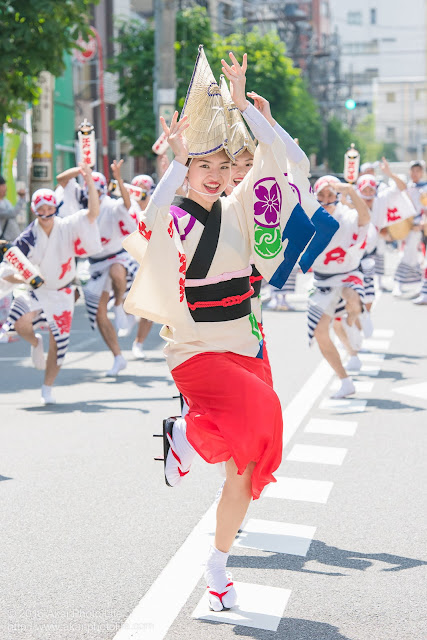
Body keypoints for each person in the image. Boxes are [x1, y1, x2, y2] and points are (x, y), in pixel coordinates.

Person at [123, 47, 329, 612]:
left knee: (251, 460)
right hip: (196, 352)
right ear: (187, 168)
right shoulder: (173, 216)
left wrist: (247, 110)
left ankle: (217, 571)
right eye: (203, 167)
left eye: (222, 167)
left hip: (244, 343)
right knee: (265, 422)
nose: (216, 176)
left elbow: (284, 159)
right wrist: (175, 158)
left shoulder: (240, 206)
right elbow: (156, 212)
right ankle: (188, 435)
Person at [2, 163, 101, 404]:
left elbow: (92, 213)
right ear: (35, 210)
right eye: (40, 209)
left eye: (50, 208)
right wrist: (26, 277)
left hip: (63, 292)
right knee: (18, 321)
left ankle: (47, 387)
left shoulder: (66, 225)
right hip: (37, 291)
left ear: (55, 208)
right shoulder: (27, 237)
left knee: (59, 343)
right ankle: (35, 342)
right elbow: (8, 271)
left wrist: (89, 181)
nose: (45, 213)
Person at [72, 161, 139, 376]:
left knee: (117, 271)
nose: (95, 196)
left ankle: (119, 304)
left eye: (98, 191)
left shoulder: (110, 205)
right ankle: (118, 357)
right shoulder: (81, 211)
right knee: (99, 313)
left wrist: (119, 179)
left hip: (117, 255)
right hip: (94, 264)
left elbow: (127, 205)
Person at [308, 175, 370, 398]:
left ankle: (355, 322)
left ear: (337, 196)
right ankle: (345, 380)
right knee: (321, 330)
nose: (326, 199)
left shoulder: (348, 214)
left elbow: (365, 218)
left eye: (330, 194)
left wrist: (351, 191)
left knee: (352, 298)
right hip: (322, 280)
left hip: (347, 274)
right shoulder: (310, 218)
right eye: (321, 195)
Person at [129, 174, 155, 359]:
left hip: (152, 262)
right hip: (127, 261)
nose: (140, 195)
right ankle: (126, 315)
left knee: (149, 310)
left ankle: (138, 343)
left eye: (143, 192)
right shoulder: (126, 208)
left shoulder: (158, 209)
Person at [0, 175, 26, 241]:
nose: (5, 188)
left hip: (14, 239)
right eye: (2, 186)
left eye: (4, 185)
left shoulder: (6, 201)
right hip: (6, 240)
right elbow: (12, 213)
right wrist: (21, 199)